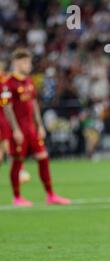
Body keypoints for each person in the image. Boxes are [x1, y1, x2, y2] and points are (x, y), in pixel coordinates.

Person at [1, 48, 70, 206]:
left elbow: (34, 104)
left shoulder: (29, 81)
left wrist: (40, 125)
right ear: (16, 63)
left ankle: (50, 195)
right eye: (25, 62)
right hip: (18, 130)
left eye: (29, 61)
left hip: (31, 129)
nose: (28, 65)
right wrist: (15, 129)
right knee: (17, 162)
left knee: (43, 157)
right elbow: (7, 107)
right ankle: (17, 197)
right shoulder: (7, 83)